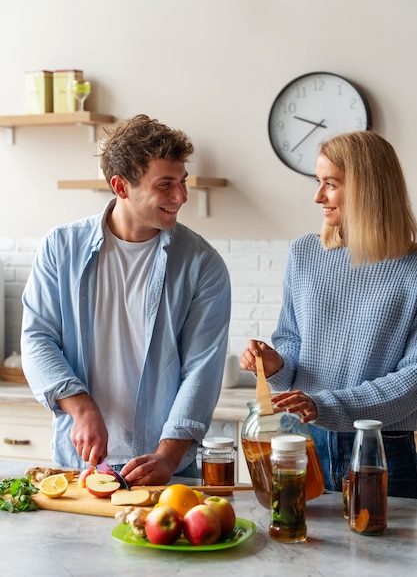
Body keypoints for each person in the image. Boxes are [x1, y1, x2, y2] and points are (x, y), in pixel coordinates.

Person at [21, 114, 231, 486]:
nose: (181, 196)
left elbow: (202, 370)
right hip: (78, 467)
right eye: (165, 184)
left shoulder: (202, 264)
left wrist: (167, 457)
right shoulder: (60, 248)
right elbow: (37, 338)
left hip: (165, 472)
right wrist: (81, 408)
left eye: (182, 182)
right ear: (121, 187)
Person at [240, 130, 417, 498]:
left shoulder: (412, 268)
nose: (318, 196)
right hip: (306, 443)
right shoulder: (305, 253)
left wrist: (326, 405)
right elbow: (291, 340)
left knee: (387, 555)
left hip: (380, 450)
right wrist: (275, 366)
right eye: (319, 183)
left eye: (330, 184)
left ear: (367, 189)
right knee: (300, 551)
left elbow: (413, 380)